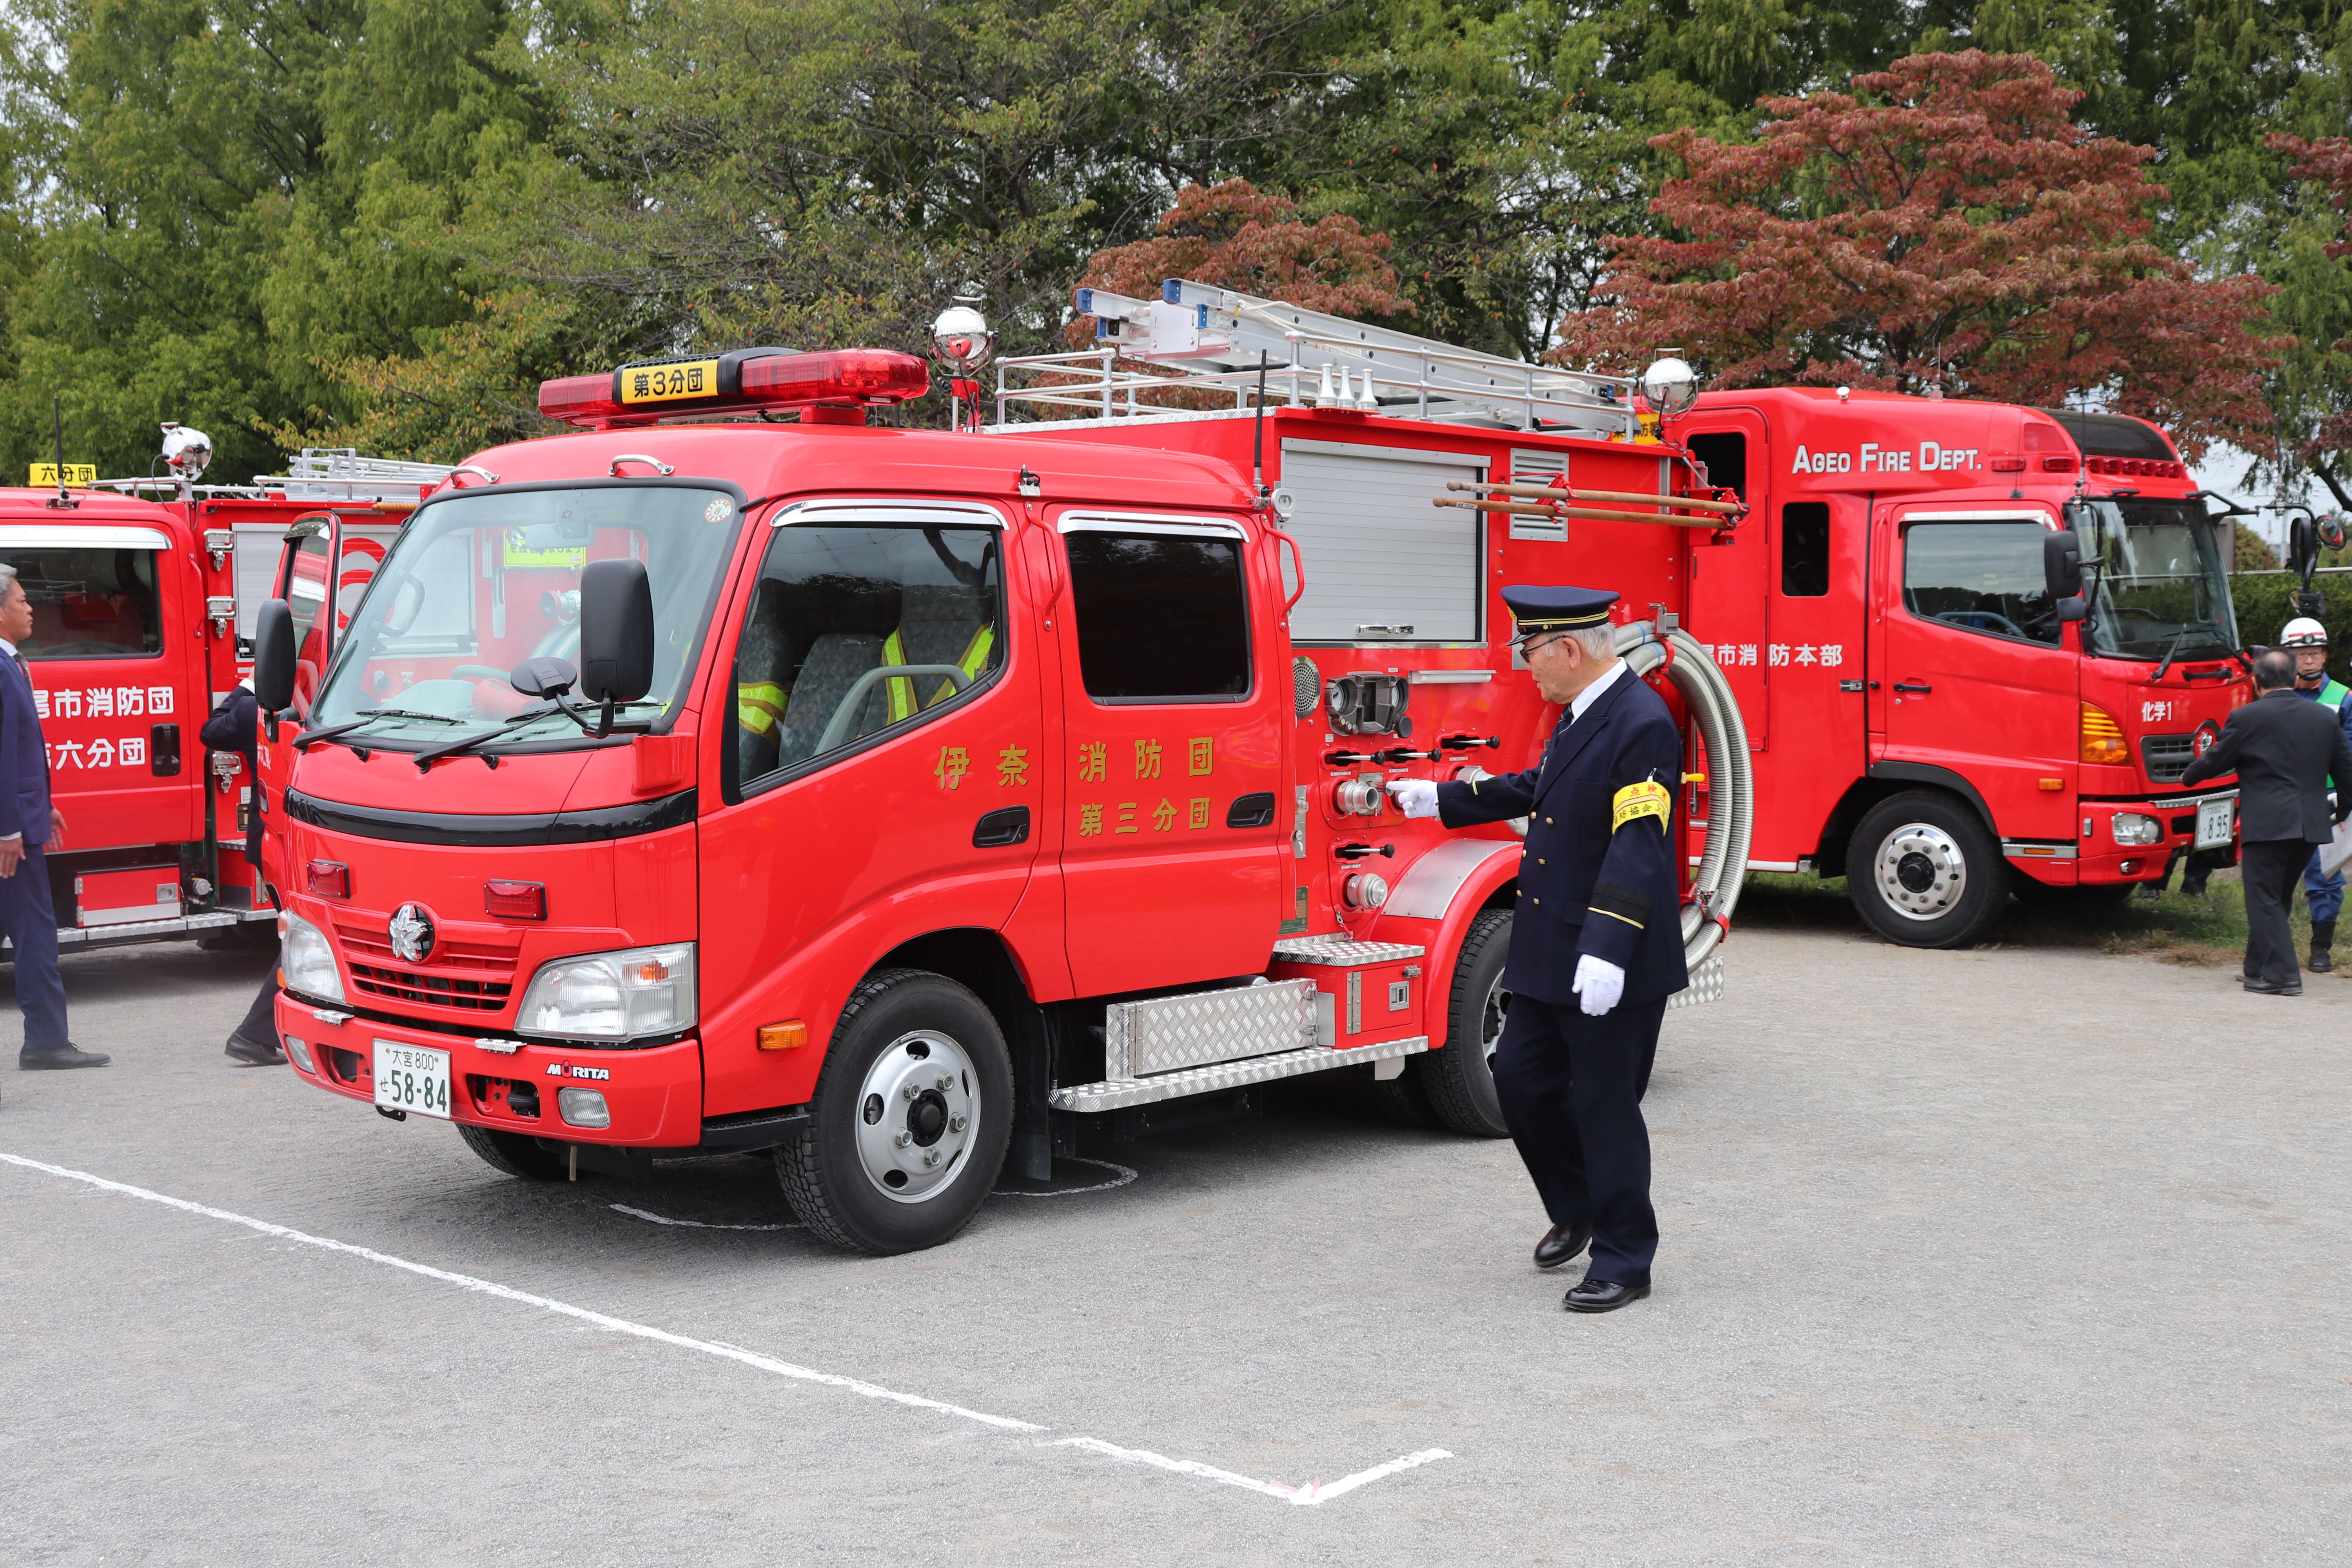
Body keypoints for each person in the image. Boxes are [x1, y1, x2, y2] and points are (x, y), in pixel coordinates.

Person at [1387, 585, 1687, 1312]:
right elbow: (1548, 791)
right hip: (1552, 949)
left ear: (1569, 649)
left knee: (1605, 1104)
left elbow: (1638, 845)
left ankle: (1625, 1257)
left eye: (1529, 652)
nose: (1526, 667)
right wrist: (1444, 800)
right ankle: (1579, 1202)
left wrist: (1609, 947)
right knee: (1520, 1083)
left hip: (1607, 957)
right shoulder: (1582, 713)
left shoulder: (1642, 722)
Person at [2180, 647, 2352, 995]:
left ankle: (2284, 976)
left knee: (2263, 899)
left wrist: (2187, 776)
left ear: (2256, 681)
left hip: (2269, 823)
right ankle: (2256, 968)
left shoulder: (2248, 718)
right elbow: (2347, 773)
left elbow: (2215, 761)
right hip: (2311, 825)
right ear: (2294, 678)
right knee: (2278, 897)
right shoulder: (2323, 717)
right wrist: (2342, 812)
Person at [0, 564, 106, 1070]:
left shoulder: (11, 663)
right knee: (37, 937)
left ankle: (45, 1039)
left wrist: (42, 805)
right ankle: (46, 1042)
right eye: (21, 601)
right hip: (12, 837)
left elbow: (18, 753)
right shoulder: (1, 668)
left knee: (32, 935)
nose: (30, 609)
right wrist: (10, 827)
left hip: (21, 822)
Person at [201, 678, 283, 1064]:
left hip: (269, 837)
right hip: (311, 838)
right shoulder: (321, 707)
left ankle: (262, 1032)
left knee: (303, 938)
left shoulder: (252, 709)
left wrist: (247, 685)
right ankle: (256, 1033)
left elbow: (212, 729)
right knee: (306, 940)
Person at [2278, 617, 2352, 971]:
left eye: (2315, 653)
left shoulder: (2344, 698)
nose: (2308, 660)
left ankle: (2320, 949)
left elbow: (2349, 753)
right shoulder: (2273, 696)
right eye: (2301, 653)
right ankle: (2270, 949)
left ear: (2325, 657)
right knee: (2271, 876)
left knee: (2324, 876)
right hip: (2280, 797)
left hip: (2325, 799)